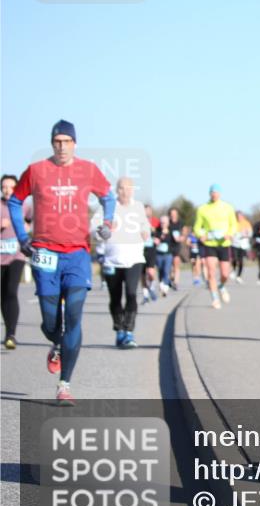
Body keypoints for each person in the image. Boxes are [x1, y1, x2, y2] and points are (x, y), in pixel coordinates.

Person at [7, 120, 116, 405]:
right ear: (52, 143)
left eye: (67, 141)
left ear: (75, 144)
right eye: (57, 141)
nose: (62, 146)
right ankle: (56, 342)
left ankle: (64, 384)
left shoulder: (88, 170)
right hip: (44, 252)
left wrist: (107, 222)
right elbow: (16, 202)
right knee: (51, 321)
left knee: (75, 316)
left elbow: (108, 196)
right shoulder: (36, 171)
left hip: (77, 253)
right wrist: (22, 236)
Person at [94, 178, 150, 349]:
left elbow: (145, 226)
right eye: (121, 188)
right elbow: (94, 229)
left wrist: (145, 232)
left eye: (128, 188)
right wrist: (105, 229)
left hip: (134, 259)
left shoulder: (138, 206)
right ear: (116, 190)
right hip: (112, 260)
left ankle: (129, 332)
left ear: (133, 190)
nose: (125, 191)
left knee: (132, 294)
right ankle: (119, 330)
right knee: (115, 298)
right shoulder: (108, 206)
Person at [193, 184, 238, 309]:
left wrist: (229, 234)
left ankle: (222, 287)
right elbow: (197, 227)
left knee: (225, 274)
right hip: (210, 244)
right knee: (211, 273)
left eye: (216, 192)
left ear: (220, 194)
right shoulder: (203, 209)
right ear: (209, 194)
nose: (214, 194)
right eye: (212, 192)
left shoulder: (228, 207)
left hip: (224, 244)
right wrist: (201, 235)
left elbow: (233, 224)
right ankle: (215, 298)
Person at [2, 174, 29, 349]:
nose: (7, 190)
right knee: (2, 295)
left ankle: (10, 333)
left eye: (11, 187)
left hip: (16, 256)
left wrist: (29, 226)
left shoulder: (24, 206)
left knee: (11, 291)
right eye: (4, 186)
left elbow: (35, 220)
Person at [141, 204, 159, 303]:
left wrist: (158, 238)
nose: (147, 212)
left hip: (151, 249)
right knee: (142, 274)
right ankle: (145, 295)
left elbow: (161, 233)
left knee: (151, 272)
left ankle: (151, 287)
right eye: (145, 210)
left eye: (148, 210)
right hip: (140, 249)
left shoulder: (156, 222)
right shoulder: (138, 222)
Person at [154, 214, 173, 295]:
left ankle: (165, 286)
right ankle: (162, 283)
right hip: (158, 254)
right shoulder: (157, 231)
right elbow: (155, 241)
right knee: (160, 270)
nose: (163, 224)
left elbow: (175, 242)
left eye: (164, 223)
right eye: (161, 223)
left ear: (168, 223)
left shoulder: (171, 231)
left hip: (168, 254)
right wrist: (159, 238)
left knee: (166, 270)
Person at [233, 211, 253, 283]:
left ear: (243, 216)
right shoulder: (234, 223)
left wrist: (246, 234)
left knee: (241, 260)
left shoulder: (246, 223)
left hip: (243, 245)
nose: (239, 218)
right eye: (238, 216)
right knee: (235, 258)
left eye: (240, 216)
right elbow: (231, 232)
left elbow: (250, 233)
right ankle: (234, 270)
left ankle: (239, 276)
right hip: (235, 244)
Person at [167, 207, 184, 289]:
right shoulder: (167, 222)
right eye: (171, 214)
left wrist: (181, 238)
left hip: (176, 245)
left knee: (176, 263)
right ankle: (171, 277)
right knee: (169, 264)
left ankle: (176, 282)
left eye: (174, 214)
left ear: (177, 214)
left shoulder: (180, 223)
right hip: (168, 245)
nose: (173, 215)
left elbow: (184, 233)